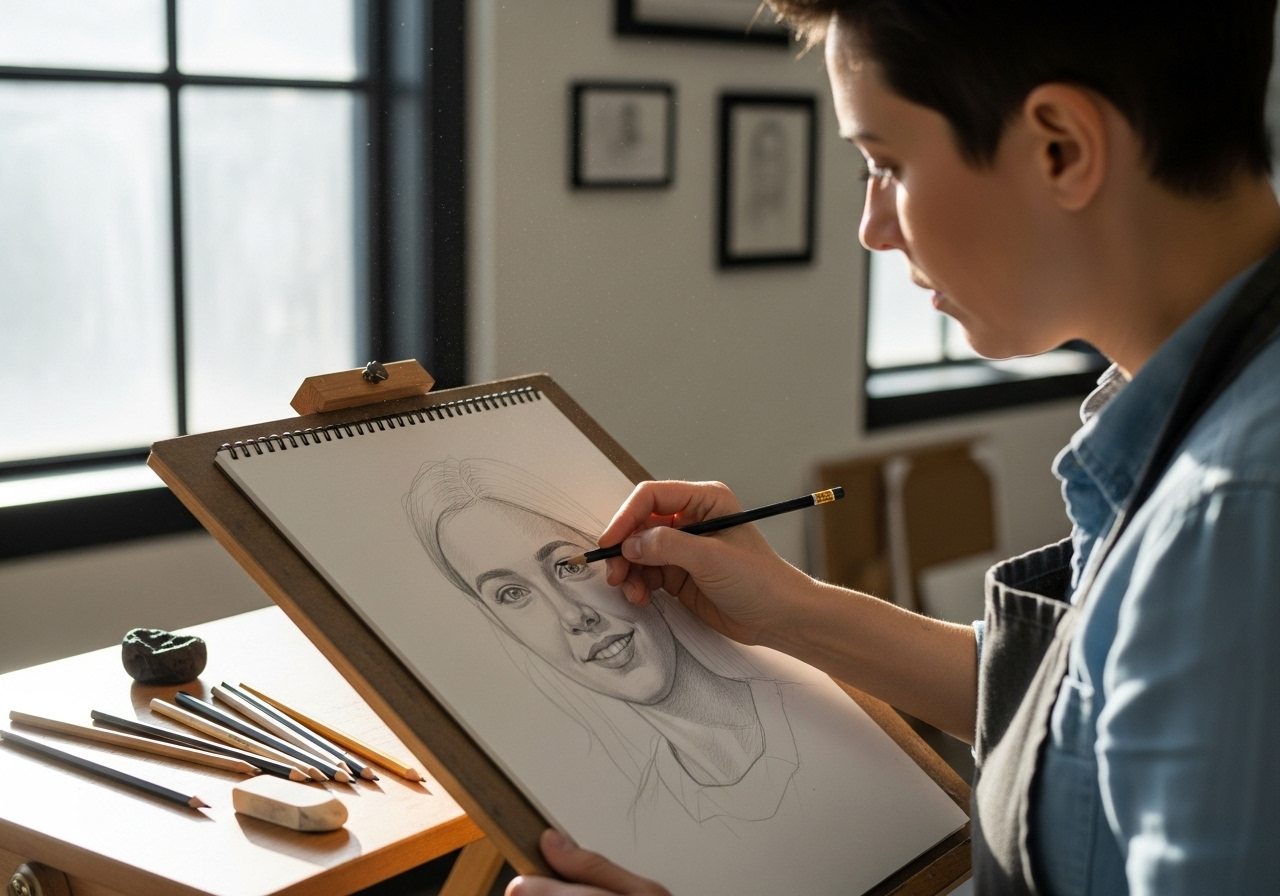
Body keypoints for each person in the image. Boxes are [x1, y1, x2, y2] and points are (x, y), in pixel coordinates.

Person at [510, 1, 1280, 894]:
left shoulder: (1233, 515)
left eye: (887, 164)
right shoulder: (1212, 419)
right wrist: (788, 611)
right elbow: (1088, 708)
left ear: (1061, 148)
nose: (873, 227)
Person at [403, 458, 798, 825]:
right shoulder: (641, 823)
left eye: (568, 565)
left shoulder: (806, 702)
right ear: (502, 626)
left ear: (634, 550)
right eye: (512, 594)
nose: (573, 616)